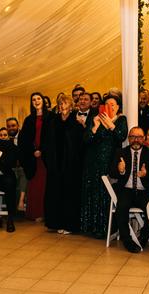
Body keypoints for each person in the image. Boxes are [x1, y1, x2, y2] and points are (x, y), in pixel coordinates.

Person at [81, 93, 127, 238]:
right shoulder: (96, 118)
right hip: (92, 162)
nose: (109, 107)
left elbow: (122, 136)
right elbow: (86, 140)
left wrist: (111, 125)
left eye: (112, 105)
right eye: (107, 105)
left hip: (109, 162)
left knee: (106, 193)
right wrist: (95, 126)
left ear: (118, 107)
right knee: (93, 192)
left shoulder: (121, 119)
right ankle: (91, 227)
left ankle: (106, 228)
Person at [110, 127, 149, 252]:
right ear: (128, 139)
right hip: (126, 190)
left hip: (144, 191)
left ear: (143, 139)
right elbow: (112, 173)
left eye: (139, 137)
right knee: (121, 208)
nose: (136, 140)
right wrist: (121, 170)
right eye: (132, 137)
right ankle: (127, 240)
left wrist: (145, 174)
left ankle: (143, 237)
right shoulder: (120, 152)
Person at [44, 94, 85, 234]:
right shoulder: (53, 122)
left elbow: (80, 145)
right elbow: (47, 143)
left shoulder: (76, 123)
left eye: (65, 104)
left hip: (71, 165)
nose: (63, 106)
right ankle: (56, 223)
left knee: (69, 195)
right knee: (55, 194)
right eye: (60, 104)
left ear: (71, 106)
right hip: (55, 164)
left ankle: (69, 225)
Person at [19, 92, 54, 220]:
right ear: (31, 102)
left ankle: (46, 213)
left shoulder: (51, 117)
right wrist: (33, 151)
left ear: (43, 101)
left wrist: (43, 151)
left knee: (46, 185)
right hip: (33, 158)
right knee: (34, 185)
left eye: (38, 98)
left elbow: (53, 138)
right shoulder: (28, 119)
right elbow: (24, 140)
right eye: (33, 99)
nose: (36, 101)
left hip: (46, 157)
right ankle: (36, 213)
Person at [6, 117, 26, 211]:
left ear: (18, 126)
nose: (11, 128)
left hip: (23, 166)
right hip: (11, 168)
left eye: (13, 125)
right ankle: (12, 206)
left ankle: (21, 201)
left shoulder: (24, 136)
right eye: (9, 126)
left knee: (23, 174)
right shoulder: (5, 140)